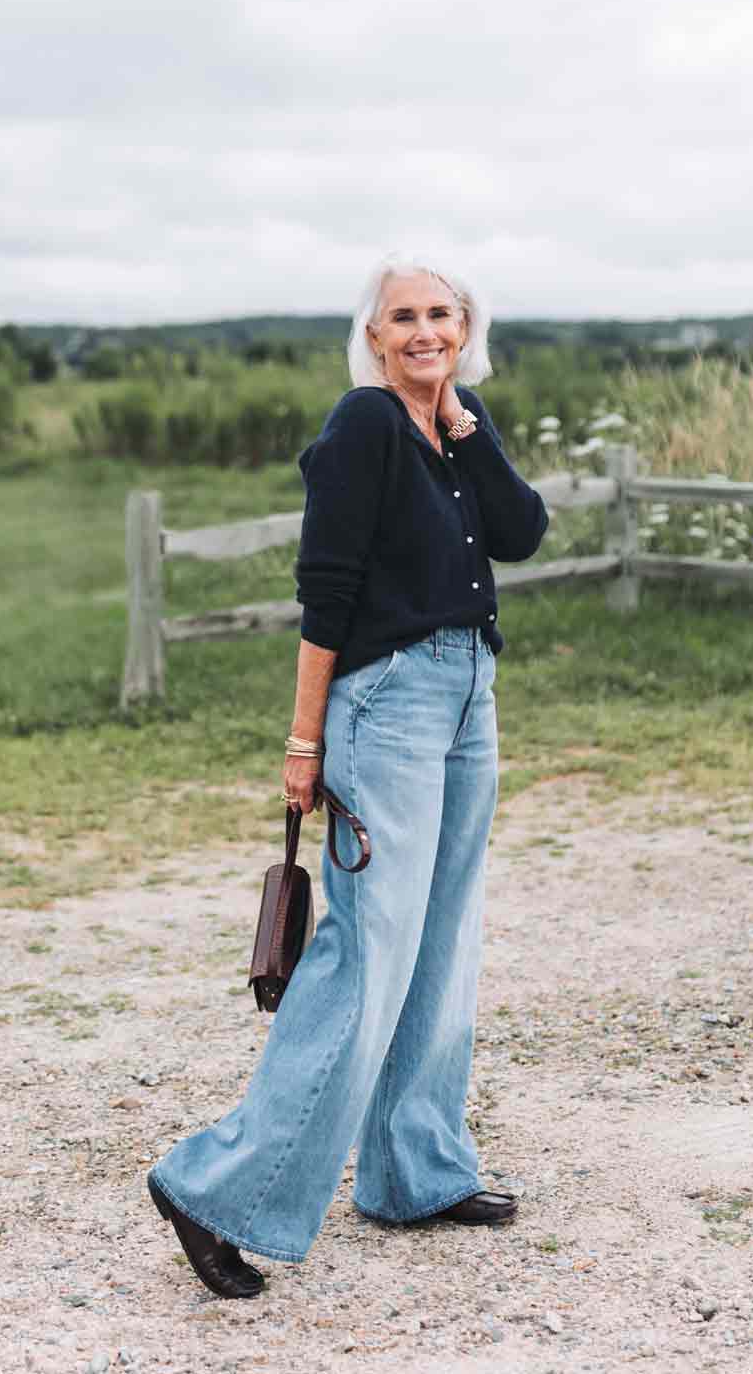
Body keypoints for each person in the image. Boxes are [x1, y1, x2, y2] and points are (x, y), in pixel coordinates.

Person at [147, 254, 549, 1297]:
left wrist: (467, 423)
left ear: (466, 329)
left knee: (444, 939)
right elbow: (323, 592)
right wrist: (303, 738)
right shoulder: (364, 424)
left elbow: (522, 533)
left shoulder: (447, 431)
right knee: (367, 951)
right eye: (403, 317)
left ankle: (415, 1170)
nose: (424, 331)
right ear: (372, 335)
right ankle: (213, 1189)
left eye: (441, 315)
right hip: (389, 703)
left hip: (469, 693)